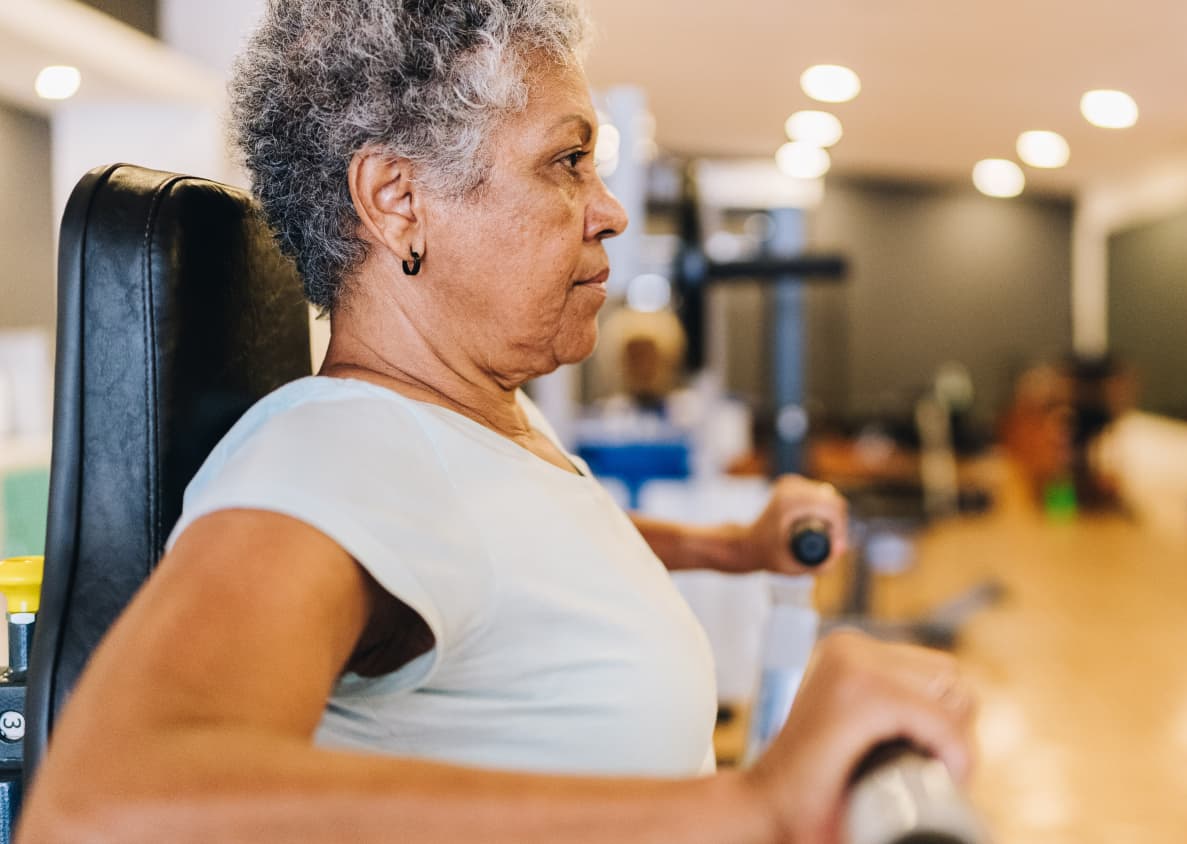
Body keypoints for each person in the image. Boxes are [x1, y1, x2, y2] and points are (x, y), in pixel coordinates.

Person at [19, 1, 976, 842]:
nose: (607, 211)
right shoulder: (340, 448)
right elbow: (106, 809)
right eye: (566, 161)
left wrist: (727, 548)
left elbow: (503, 554)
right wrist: (756, 809)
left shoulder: (477, 424)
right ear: (399, 202)